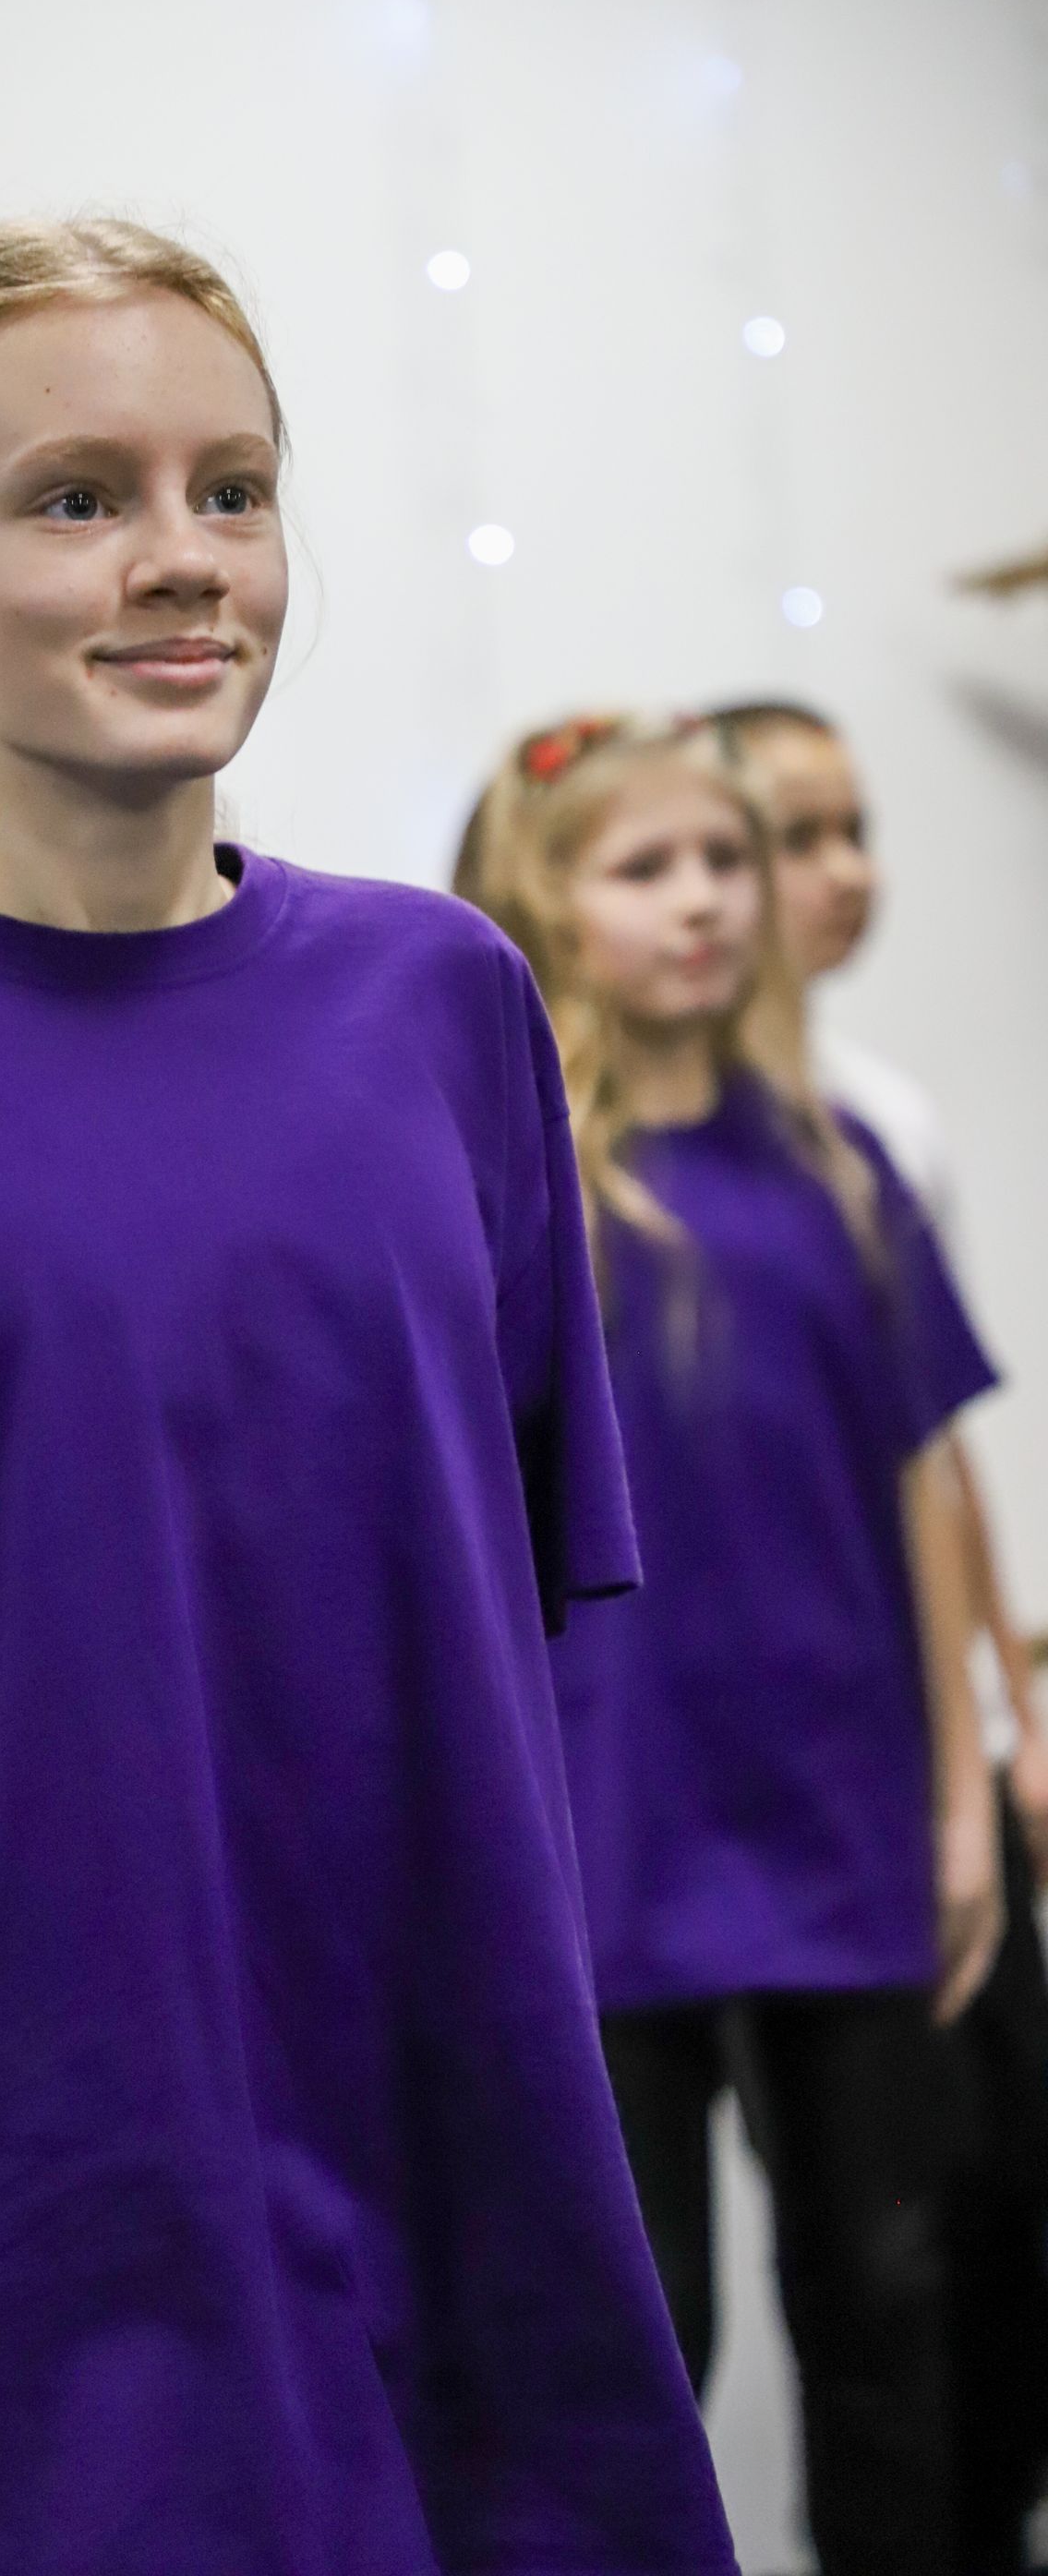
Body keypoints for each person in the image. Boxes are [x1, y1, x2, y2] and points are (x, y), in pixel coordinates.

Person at [0, 217, 737, 2576]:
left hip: (471, 2203)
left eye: (234, 488)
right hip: (28, 2242)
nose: (184, 556)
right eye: (79, 497)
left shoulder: (447, 1006)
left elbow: (506, 1662)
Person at [457, 710, 1003, 2576]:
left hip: (843, 1833)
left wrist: (960, 1808)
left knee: (888, 2300)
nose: (700, 902)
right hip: (603, 1847)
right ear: (548, 904)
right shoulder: (513, 1194)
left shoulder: (843, 1170)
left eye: (723, 863)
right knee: (634, 2332)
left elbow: (924, 1491)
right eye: (645, 868)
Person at [713, 695, 1048, 2576]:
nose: (845, 875)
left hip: (900, 1771)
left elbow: (932, 1458)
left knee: (952, 2249)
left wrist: (1002, 1717)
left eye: (858, 830)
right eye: (795, 836)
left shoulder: (873, 1126)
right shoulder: (602, 1137)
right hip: (710, 1797)